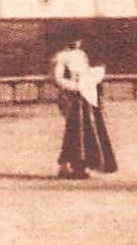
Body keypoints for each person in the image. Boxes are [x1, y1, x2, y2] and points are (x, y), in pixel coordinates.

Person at [50, 36, 117, 179]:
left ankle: (82, 165)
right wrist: (75, 87)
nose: (76, 42)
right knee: (74, 131)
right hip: (72, 97)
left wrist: (91, 80)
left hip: (86, 96)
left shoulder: (81, 55)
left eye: (78, 39)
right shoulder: (61, 57)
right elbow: (58, 78)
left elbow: (87, 73)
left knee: (88, 130)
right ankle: (70, 165)